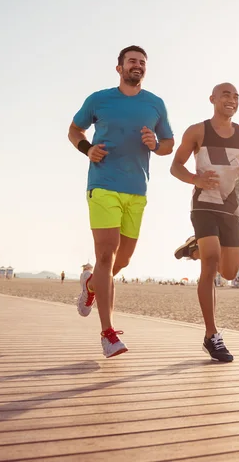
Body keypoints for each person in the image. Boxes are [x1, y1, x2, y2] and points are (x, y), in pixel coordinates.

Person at [68, 45, 174, 358]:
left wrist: (156, 144)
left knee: (122, 260)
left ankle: (91, 287)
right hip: (103, 184)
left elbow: (168, 143)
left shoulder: (155, 105)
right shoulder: (99, 99)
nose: (137, 66)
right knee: (106, 253)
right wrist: (87, 149)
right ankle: (108, 333)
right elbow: (75, 129)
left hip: (137, 190)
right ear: (119, 68)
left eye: (142, 62)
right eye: (131, 61)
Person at [170, 83, 239, 362]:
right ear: (212, 99)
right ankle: (212, 336)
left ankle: (195, 247)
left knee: (230, 272)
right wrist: (194, 179)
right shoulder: (197, 131)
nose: (231, 99)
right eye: (226, 94)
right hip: (204, 206)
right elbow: (176, 166)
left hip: (231, 211)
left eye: (236, 96)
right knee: (210, 265)